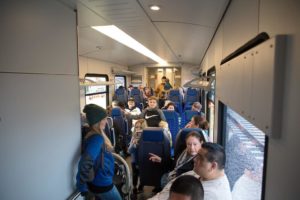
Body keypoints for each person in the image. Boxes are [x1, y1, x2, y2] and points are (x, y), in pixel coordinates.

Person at [149, 142, 232, 200]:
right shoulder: (203, 174)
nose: (194, 159)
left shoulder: (210, 195)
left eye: (200, 158)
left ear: (213, 166)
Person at [76, 104, 122, 200]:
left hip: (101, 180)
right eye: (104, 119)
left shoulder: (94, 134)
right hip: (102, 183)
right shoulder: (97, 138)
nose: (106, 121)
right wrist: (82, 185)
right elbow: (85, 161)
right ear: (97, 121)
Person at [127, 119, 147, 194]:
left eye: (140, 128)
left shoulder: (147, 138)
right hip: (134, 160)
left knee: (142, 173)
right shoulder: (134, 137)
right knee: (135, 173)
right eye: (136, 127)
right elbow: (129, 151)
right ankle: (134, 186)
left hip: (143, 159)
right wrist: (134, 144)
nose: (138, 129)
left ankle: (141, 186)